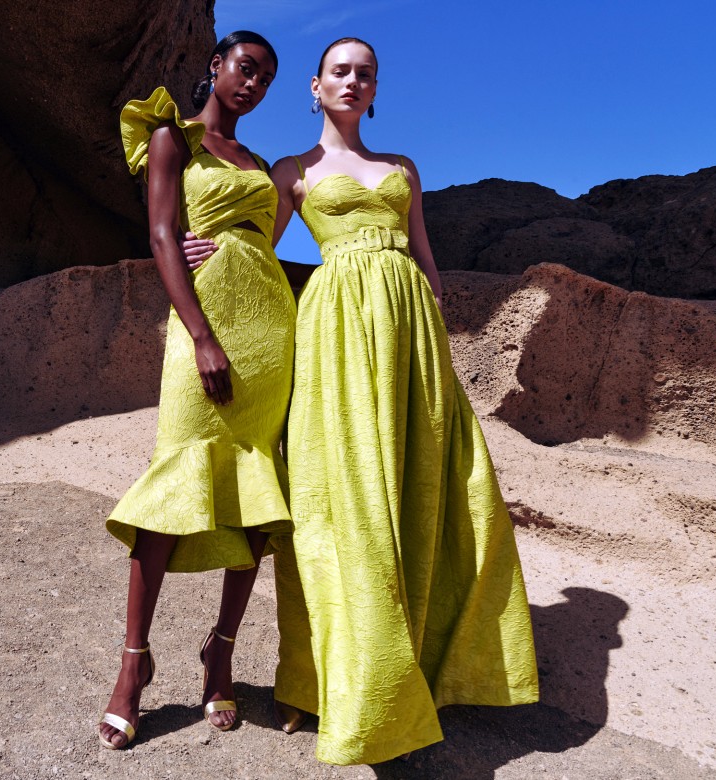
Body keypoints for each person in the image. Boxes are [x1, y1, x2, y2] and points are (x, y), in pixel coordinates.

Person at [184, 36, 539, 766]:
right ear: (314, 88)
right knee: (336, 501)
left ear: (376, 90)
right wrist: (218, 256)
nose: (352, 81)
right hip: (336, 331)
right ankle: (319, 683)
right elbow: (261, 248)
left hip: (408, 333)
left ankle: (430, 669)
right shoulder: (292, 172)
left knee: (429, 490)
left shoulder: (402, 168)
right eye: (339, 71)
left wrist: (436, 336)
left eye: (365, 74)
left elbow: (426, 260)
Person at [97, 31, 297, 750]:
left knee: (252, 489)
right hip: (203, 323)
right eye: (246, 67)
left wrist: (240, 247)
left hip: (269, 327)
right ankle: (133, 665)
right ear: (215, 66)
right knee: (173, 476)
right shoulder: (169, 136)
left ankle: (222, 653)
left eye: (267, 77)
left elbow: (261, 241)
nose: (254, 83)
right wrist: (202, 333)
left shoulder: (261, 163)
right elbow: (159, 236)